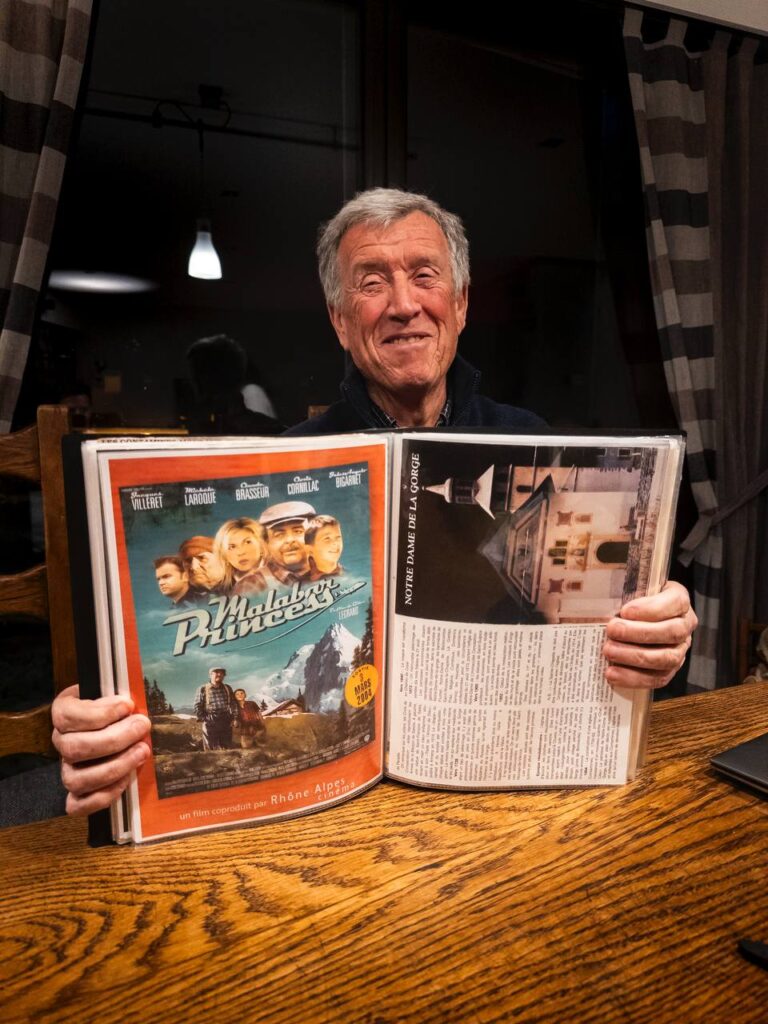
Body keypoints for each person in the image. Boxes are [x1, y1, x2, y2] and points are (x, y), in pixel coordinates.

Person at [52, 188, 697, 815]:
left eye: (424, 275)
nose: (403, 305)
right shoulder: (289, 465)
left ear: (461, 304)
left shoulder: (531, 441)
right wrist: (104, 710)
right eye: (371, 283)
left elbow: (589, 600)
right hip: (342, 811)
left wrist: (650, 630)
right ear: (339, 319)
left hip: (509, 770)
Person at [258, 501, 315, 584]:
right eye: (279, 534)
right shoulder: (251, 585)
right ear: (267, 543)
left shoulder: (332, 573)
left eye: (298, 531)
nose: (289, 540)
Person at [213, 517, 272, 597]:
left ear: (261, 545)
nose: (241, 552)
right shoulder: (219, 593)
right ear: (224, 555)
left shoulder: (280, 576)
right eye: (232, 547)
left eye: (248, 542)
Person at [193, 667, 239, 751]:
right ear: (210, 675)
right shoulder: (202, 688)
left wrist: (234, 718)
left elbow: (233, 704)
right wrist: (205, 719)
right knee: (211, 748)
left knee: (227, 746)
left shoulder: (227, 688)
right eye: (216, 672)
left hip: (225, 719)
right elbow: (197, 706)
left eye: (222, 673)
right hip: (210, 719)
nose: (219, 675)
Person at [178, 536, 226, 600]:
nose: (194, 567)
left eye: (202, 558)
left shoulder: (241, 589)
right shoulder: (183, 605)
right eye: (188, 561)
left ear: (223, 560)